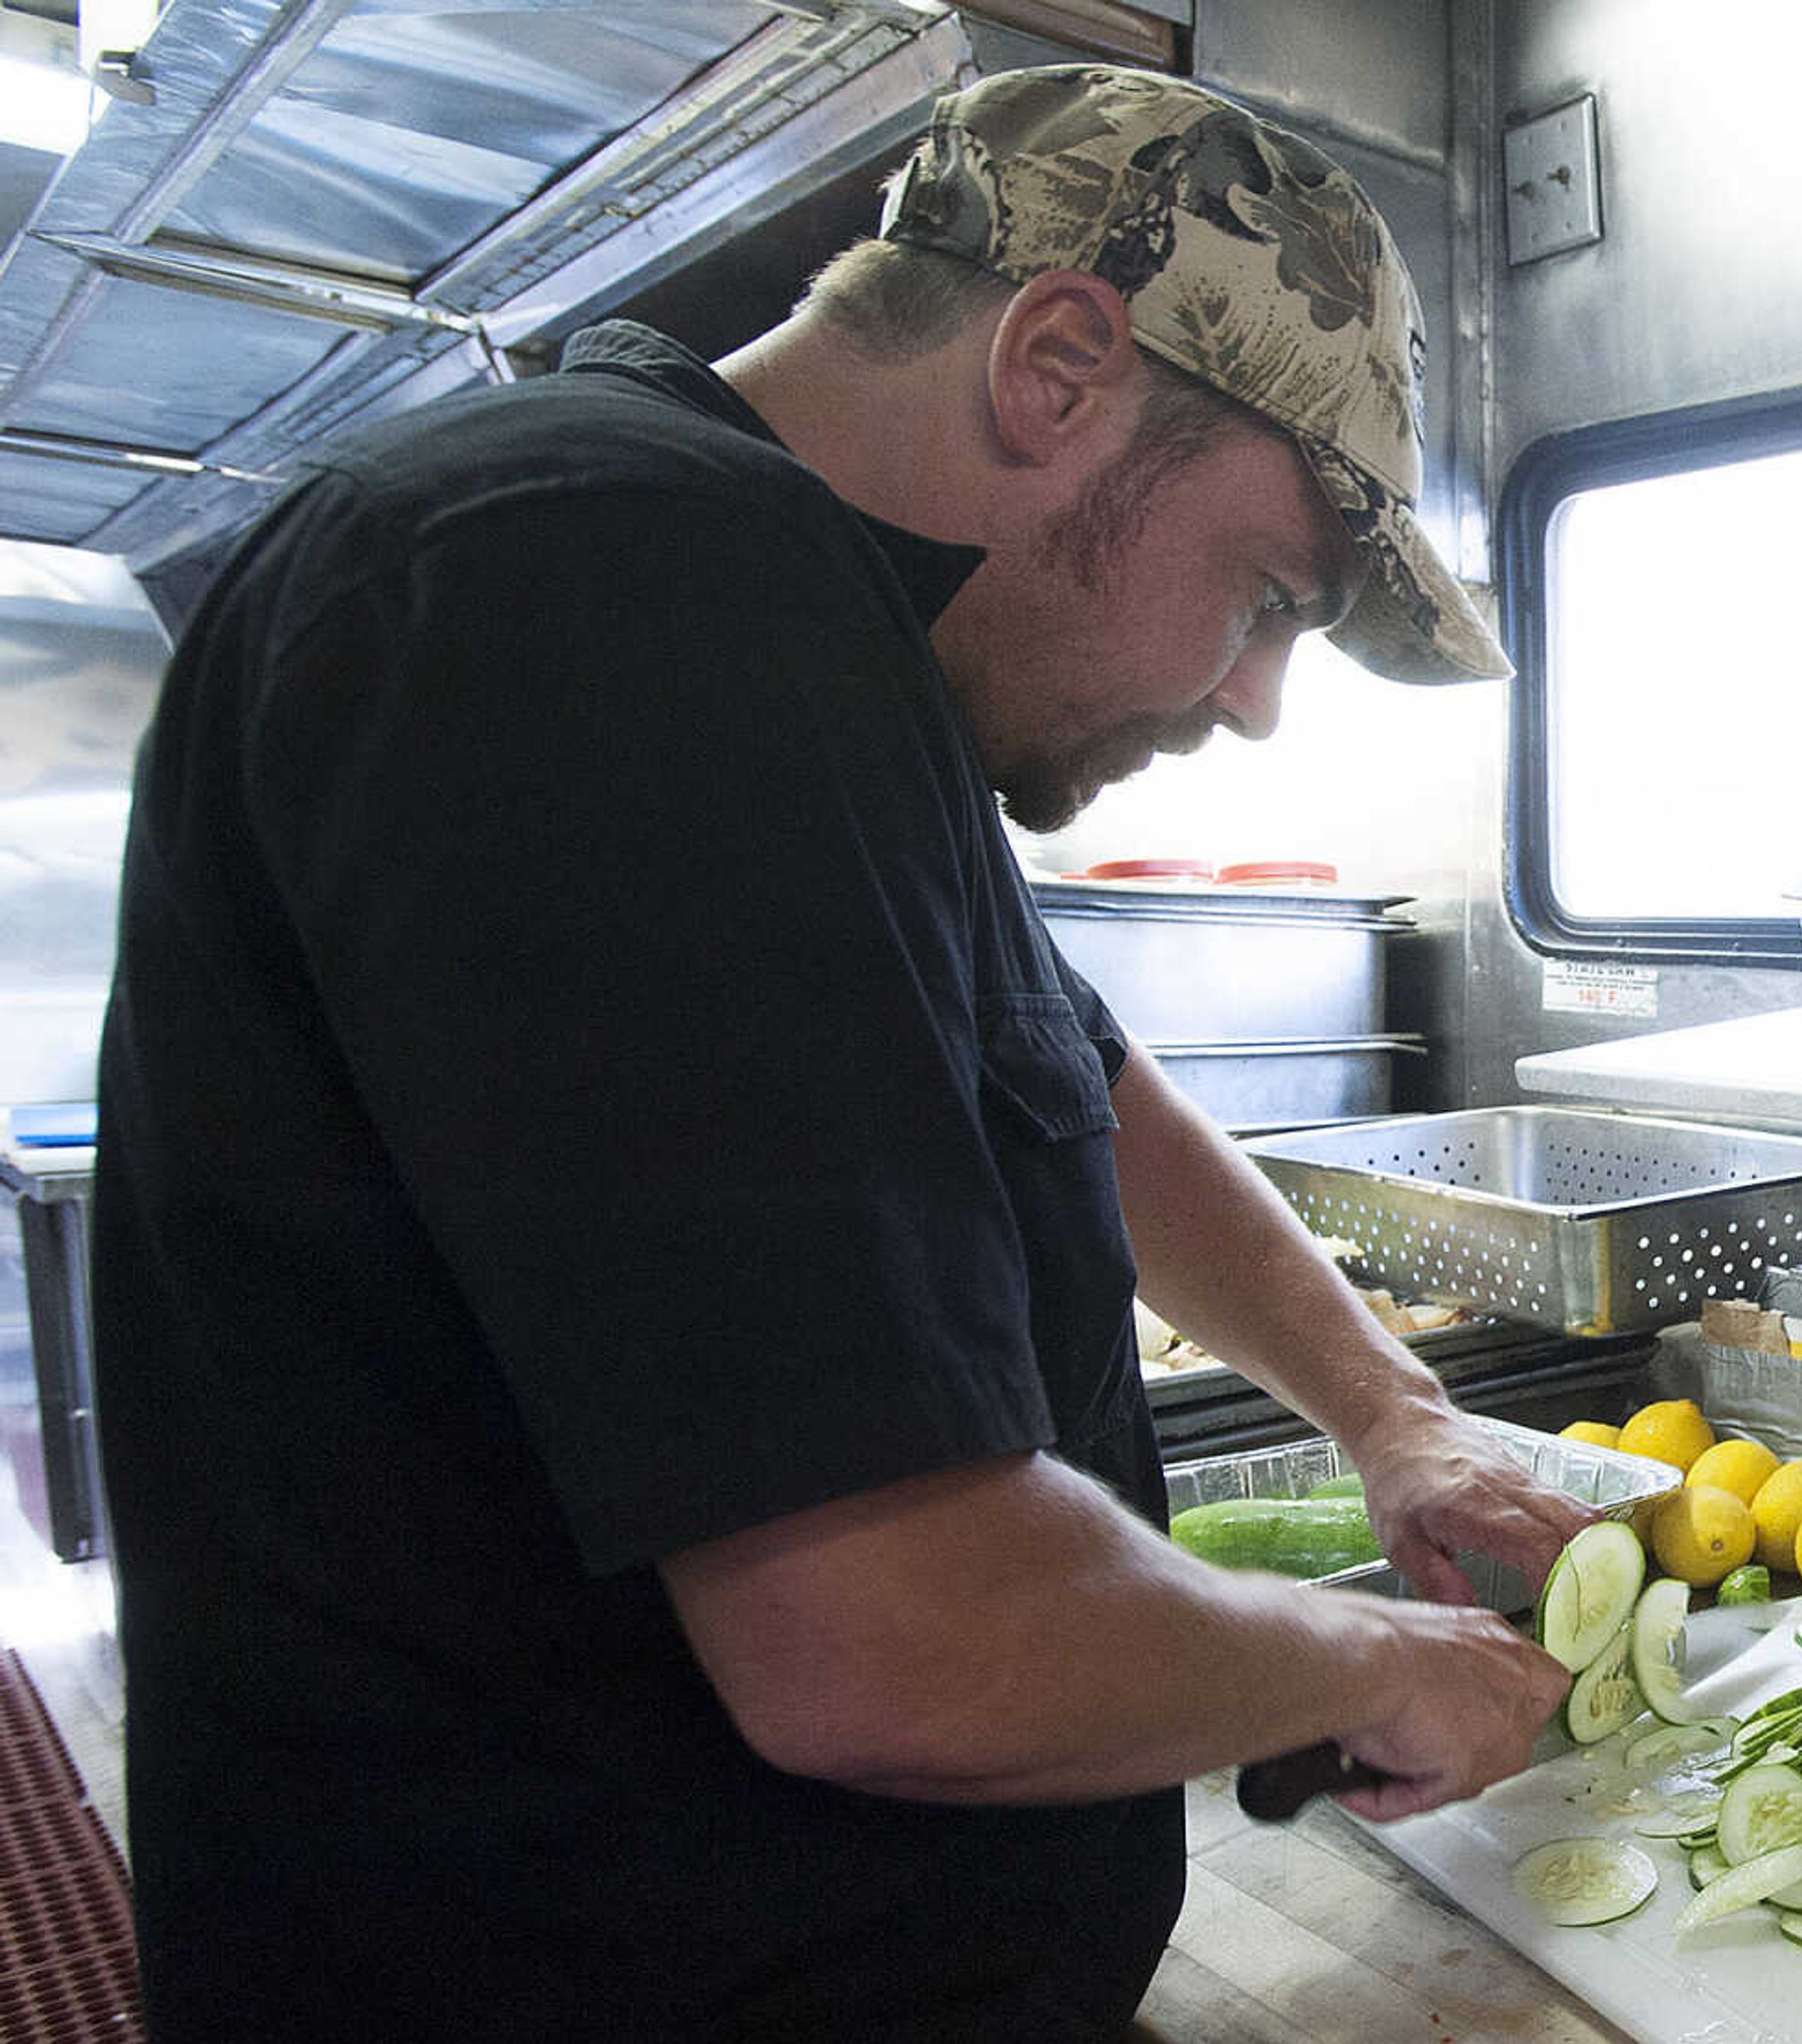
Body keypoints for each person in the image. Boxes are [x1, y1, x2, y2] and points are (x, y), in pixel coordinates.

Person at [91, 61, 1593, 2041]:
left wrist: (1391, 1408)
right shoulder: (614, 591)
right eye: (1263, 596)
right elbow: (893, 1640)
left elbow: (1078, 1074)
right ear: (1057, 364)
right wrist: (1367, 1660)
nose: (1250, 704)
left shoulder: (788, 634)